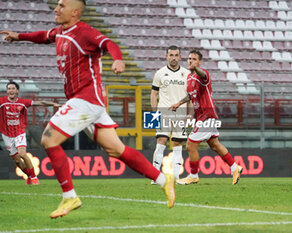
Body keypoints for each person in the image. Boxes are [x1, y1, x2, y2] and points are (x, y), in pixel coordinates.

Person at [0, 0, 175, 219]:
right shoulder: (60, 32)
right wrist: (19, 36)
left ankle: (70, 196)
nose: (56, 9)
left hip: (87, 99)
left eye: (62, 6)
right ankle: (163, 179)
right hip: (86, 102)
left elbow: (110, 44)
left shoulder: (85, 32)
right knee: (116, 150)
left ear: (75, 12)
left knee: (48, 140)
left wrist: (118, 60)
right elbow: (43, 36)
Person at [169, 50, 243, 185]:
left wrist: (196, 68)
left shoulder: (203, 75)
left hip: (207, 116)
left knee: (191, 144)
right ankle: (235, 168)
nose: (190, 61)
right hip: (201, 117)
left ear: (200, 62)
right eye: (189, 59)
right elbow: (191, 96)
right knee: (214, 145)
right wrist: (179, 103)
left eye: (194, 59)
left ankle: (193, 175)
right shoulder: (189, 78)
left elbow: (202, 74)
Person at [0, 81, 60, 185]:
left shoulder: (23, 102)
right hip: (6, 135)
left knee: (23, 154)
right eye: (9, 89)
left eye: (13, 88)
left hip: (19, 132)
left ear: (17, 91)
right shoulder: (2, 102)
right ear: (7, 91)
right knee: (17, 161)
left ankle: (33, 177)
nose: (11, 90)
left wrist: (53, 104)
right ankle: (29, 176)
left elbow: (40, 103)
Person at [150, 45, 190, 182]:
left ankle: (176, 176)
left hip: (181, 113)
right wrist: (154, 112)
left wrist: (190, 114)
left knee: (178, 144)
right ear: (166, 56)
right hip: (163, 112)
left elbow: (190, 96)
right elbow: (154, 94)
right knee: (161, 141)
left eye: (176, 55)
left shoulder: (187, 74)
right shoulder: (160, 73)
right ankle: (155, 176)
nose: (173, 58)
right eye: (171, 55)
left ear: (180, 56)